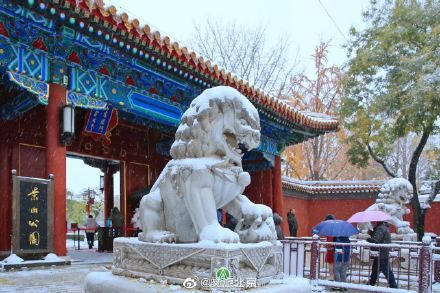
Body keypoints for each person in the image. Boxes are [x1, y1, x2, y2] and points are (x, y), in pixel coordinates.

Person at [367, 221, 397, 288]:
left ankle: (394, 287)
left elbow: (376, 240)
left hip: (381, 253)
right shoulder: (382, 227)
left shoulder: (380, 228)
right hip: (381, 252)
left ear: (377, 221)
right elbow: (379, 238)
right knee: (375, 270)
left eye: (373, 221)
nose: (372, 222)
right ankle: (371, 284)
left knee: (387, 271)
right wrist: (372, 233)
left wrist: (368, 239)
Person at [324, 214, 336, 280]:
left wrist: (329, 246)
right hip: (332, 247)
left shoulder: (330, 228)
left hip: (331, 247)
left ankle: (332, 276)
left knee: (331, 262)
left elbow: (330, 238)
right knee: (332, 262)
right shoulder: (334, 227)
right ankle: (333, 276)